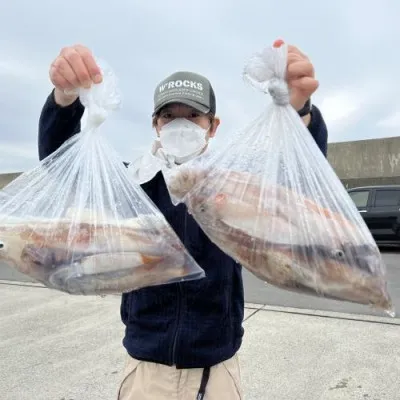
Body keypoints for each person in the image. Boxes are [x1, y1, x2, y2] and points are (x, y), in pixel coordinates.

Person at [37, 39, 328, 400]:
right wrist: (63, 99)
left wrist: (301, 111)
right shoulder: (132, 183)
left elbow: (299, 178)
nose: (180, 125)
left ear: (213, 125)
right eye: (169, 116)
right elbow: (60, 165)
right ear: (156, 124)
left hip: (216, 370)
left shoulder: (233, 186)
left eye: (192, 116)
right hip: (145, 369)